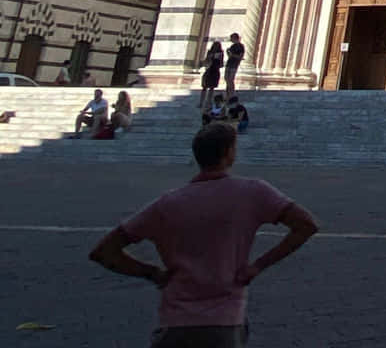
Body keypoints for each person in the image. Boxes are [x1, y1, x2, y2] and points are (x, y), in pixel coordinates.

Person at [89, 122, 319, 348]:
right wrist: (258, 266)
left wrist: (152, 273)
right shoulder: (252, 192)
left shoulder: (167, 204)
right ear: (229, 153)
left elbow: (103, 251)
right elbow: (306, 225)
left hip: (175, 324)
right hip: (224, 322)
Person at [199, 40, 225, 112]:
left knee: (211, 88)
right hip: (208, 71)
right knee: (204, 87)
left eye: (217, 46)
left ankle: (208, 102)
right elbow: (206, 61)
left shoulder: (221, 53)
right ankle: (201, 102)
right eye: (215, 46)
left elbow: (221, 64)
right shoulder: (209, 52)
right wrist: (209, 58)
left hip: (215, 71)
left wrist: (218, 58)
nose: (216, 47)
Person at [224, 33, 245, 99]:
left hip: (234, 64)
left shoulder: (241, 46)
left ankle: (231, 94)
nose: (231, 40)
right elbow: (230, 56)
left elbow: (240, 57)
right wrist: (228, 53)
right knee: (226, 78)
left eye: (232, 38)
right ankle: (228, 93)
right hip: (229, 63)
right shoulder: (232, 46)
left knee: (231, 79)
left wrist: (232, 55)